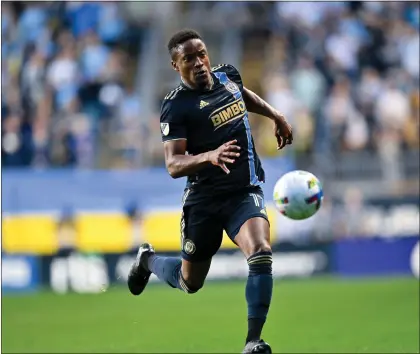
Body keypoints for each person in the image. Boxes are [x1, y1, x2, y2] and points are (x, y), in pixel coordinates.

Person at [128, 29, 293, 354]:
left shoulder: (228, 75)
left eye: (201, 53)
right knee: (191, 283)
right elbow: (174, 164)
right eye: (189, 58)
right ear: (176, 66)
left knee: (260, 250)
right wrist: (209, 156)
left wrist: (275, 115)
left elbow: (242, 95)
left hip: (243, 191)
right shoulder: (175, 107)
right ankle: (147, 260)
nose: (199, 62)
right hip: (203, 201)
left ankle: (252, 342)